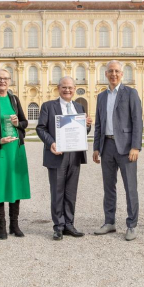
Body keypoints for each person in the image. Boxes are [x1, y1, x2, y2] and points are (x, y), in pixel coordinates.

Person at [36, 76, 92, 240]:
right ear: (58, 88)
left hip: (74, 156)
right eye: (64, 87)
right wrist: (51, 143)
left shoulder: (79, 107)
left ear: (75, 89)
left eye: (70, 87)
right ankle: (58, 226)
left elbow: (82, 133)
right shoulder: (48, 106)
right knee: (57, 191)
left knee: (71, 192)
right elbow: (41, 128)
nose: (67, 90)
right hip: (56, 155)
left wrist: (87, 125)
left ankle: (69, 224)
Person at [93, 60, 143, 241]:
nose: (113, 74)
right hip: (107, 146)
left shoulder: (130, 93)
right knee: (108, 187)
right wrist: (96, 147)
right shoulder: (101, 96)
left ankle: (132, 224)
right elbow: (99, 124)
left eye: (117, 71)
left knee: (130, 187)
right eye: (110, 71)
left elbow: (138, 121)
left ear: (122, 74)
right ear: (105, 74)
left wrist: (136, 146)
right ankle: (109, 222)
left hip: (126, 147)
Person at [0, 69, 30, 240]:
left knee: (15, 185)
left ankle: (14, 225)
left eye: (6, 78)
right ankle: (1, 226)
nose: (2, 81)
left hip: (16, 149)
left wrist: (18, 123)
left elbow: (25, 122)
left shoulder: (14, 99)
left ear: (10, 81)